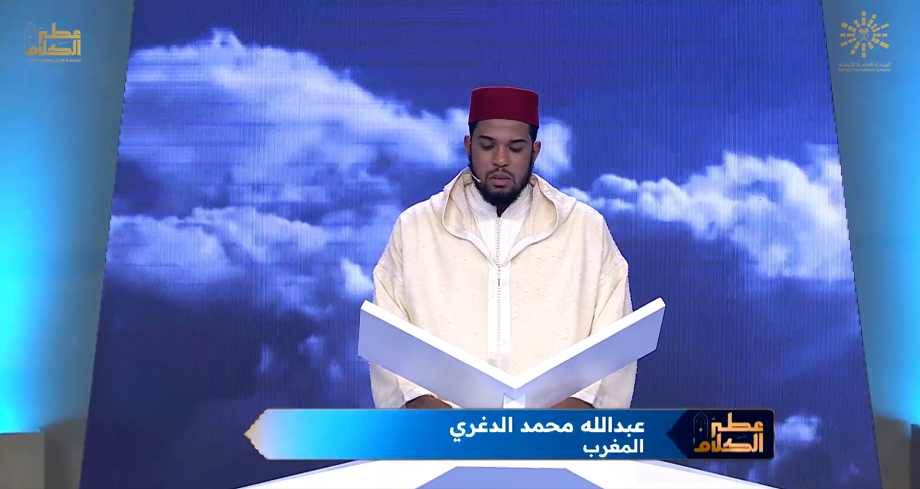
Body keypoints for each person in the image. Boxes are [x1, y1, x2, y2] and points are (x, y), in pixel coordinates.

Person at [369, 86, 636, 410]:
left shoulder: (585, 230)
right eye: (487, 146)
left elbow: (614, 340)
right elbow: (388, 336)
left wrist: (573, 413)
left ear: (535, 152)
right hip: (440, 434)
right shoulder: (415, 229)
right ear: (468, 146)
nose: (500, 160)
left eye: (515, 148)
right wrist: (427, 410)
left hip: (559, 433)